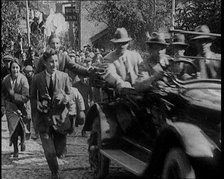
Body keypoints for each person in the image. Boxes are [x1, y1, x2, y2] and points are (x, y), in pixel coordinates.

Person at [31, 48, 71, 179]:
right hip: (44, 119)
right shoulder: (37, 78)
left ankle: (59, 151)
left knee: (59, 152)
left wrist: (65, 98)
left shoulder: (64, 77)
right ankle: (55, 172)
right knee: (49, 151)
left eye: (56, 61)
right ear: (44, 62)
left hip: (60, 119)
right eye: (51, 62)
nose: (54, 64)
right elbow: (32, 97)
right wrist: (37, 104)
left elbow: (70, 95)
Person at [1, 58, 30, 158]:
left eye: (17, 67)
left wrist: (14, 95)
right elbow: (2, 94)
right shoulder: (5, 80)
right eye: (13, 68)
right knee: (13, 128)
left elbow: (26, 96)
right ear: (10, 68)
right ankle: (15, 149)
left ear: (20, 68)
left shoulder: (23, 79)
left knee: (21, 128)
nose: (15, 70)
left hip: (22, 107)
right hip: (10, 107)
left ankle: (22, 141)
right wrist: (2, 105)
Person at [23, 65, 39, 140]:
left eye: (29, 72)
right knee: (28, 116)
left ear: (32, 72)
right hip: (27, 99)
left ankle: (36, 133)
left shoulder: (35, 79)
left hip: (35, 99)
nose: (28, 73)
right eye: (26, 72)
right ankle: (28, 132)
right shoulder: (24, 79)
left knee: (35, 118)